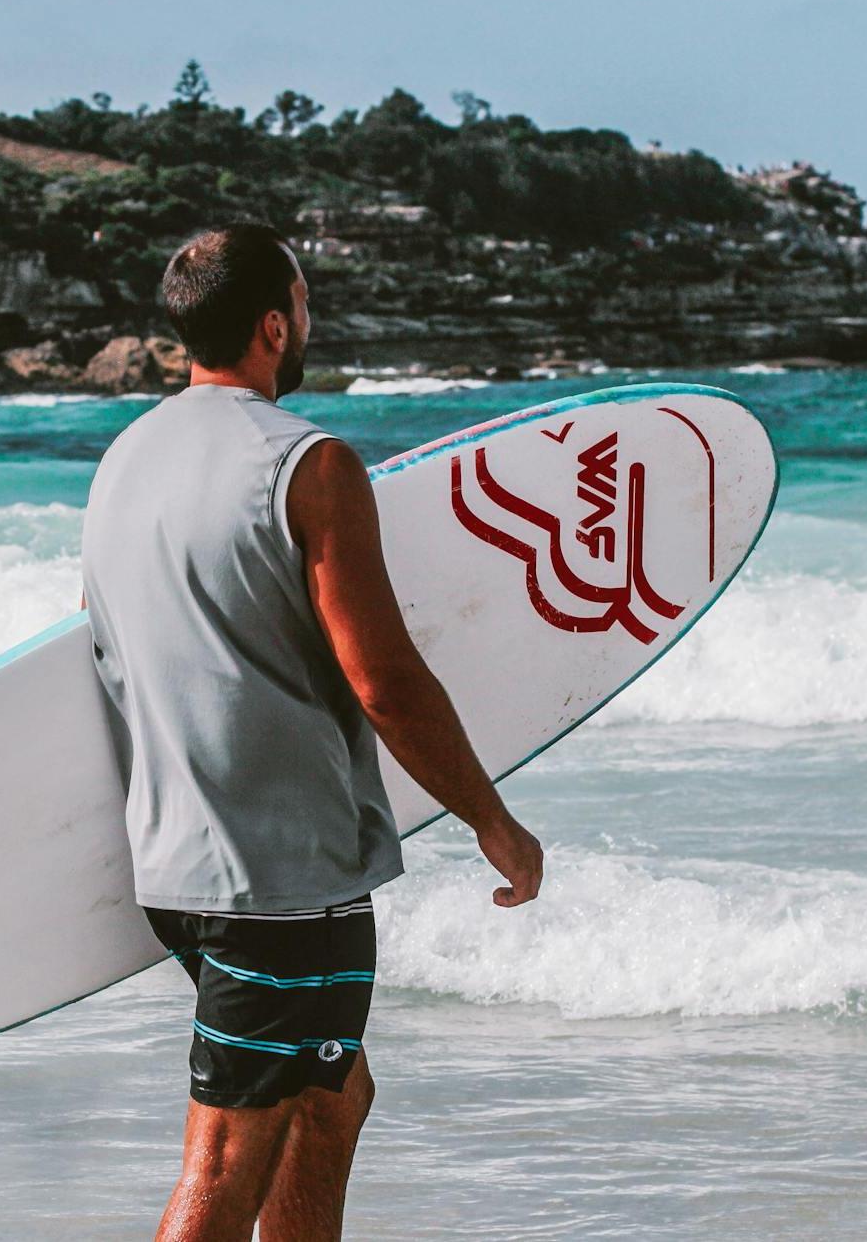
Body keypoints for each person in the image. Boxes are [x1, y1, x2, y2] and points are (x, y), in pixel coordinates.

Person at [81, 225, 543, 1242]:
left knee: (329, 1101)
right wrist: (491, 820)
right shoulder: (307, 463)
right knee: (225, 1156)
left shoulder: (123, 461)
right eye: (303, 297)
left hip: (177, 863)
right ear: (273, 323)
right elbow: (383, 679)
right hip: (281, 882)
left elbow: (109, 655)